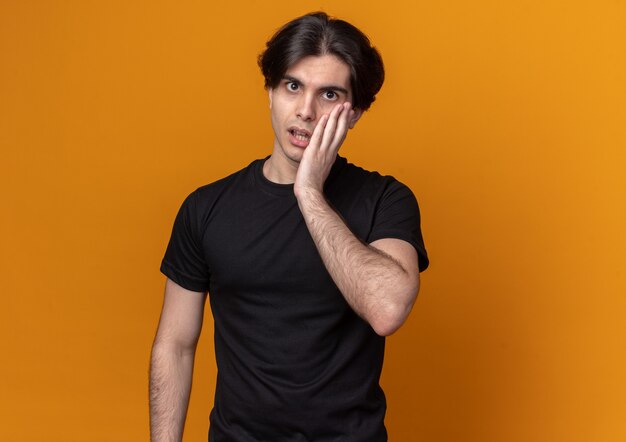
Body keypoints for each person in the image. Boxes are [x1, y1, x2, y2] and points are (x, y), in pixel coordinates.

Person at [149, 11, 429, 442]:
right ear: (270, 91)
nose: (305, 111)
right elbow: (175, 346)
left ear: (353, 113)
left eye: (329, 94)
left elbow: (386, 310)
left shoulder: (386, 200)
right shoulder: (205, 208)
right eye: (292, 86)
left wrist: (309, 194)